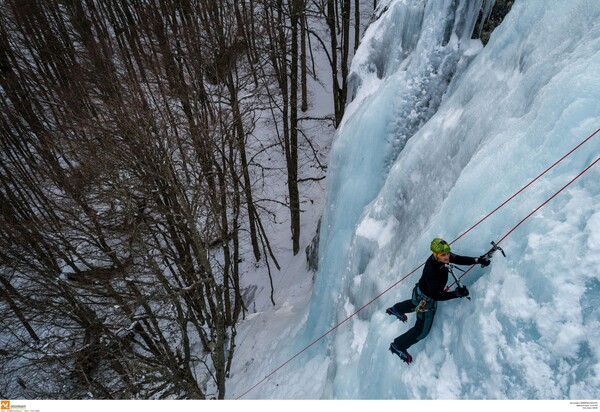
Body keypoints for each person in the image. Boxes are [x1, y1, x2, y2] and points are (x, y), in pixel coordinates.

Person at [387, 238, 490, 364]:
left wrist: (477, 260)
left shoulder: (440, 257)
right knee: (421, 332)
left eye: (447, 253)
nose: (447, 257)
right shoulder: (431, 271)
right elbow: (436, 296)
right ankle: (398, 346)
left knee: (414, 303)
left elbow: (458, 258)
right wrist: (456, 294)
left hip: (419, 292)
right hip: (427, 299)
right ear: (435, 255)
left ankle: (396, 309)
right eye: (443, 255)